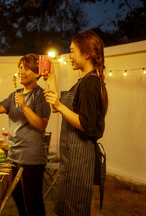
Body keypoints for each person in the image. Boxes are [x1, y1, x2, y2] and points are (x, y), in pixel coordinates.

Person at [44, 29, 108, 216]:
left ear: (87, 53)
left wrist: (59, 106)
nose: (70, 55)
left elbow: (86, 124)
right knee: (80, 207)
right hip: (73, 158)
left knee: (76, 209)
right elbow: (56, 107)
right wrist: (52, 74)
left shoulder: (90, 83)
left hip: (80, 158)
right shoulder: (84, 81)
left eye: (72, 51)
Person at [0, 54, 51, 216]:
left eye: (26, 68)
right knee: (18, 198)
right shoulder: (17, 93)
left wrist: (24, 106)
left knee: (33, 203)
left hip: (32, 159)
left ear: (37, 74)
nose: (21, 71)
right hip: (13, 156)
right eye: (20, 67)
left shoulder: (41, 95)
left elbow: (41, 125)